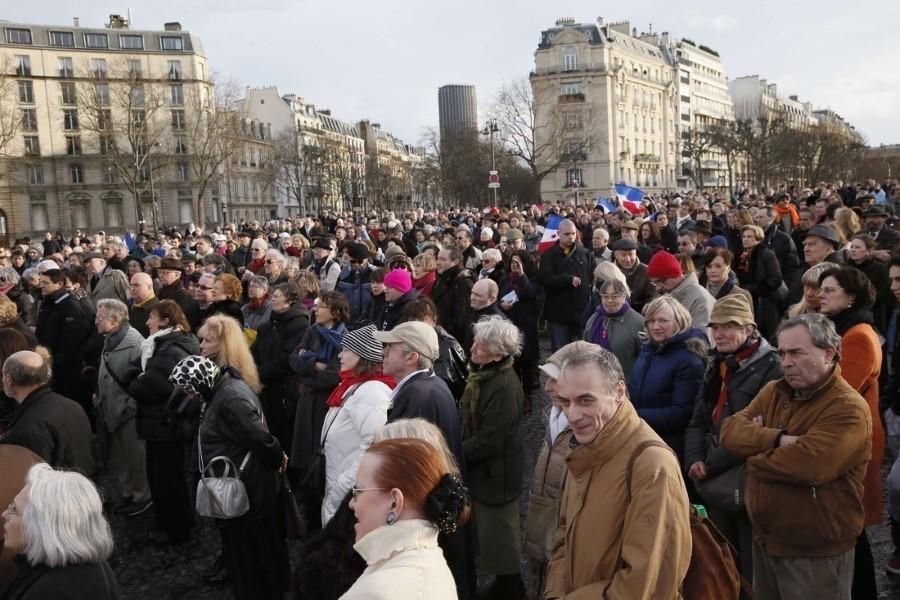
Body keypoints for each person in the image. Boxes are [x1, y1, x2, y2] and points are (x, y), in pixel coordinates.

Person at [720, 314, 872, 600]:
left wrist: (751, 454)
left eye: (797, 353)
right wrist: (776, 438)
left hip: (815, 552)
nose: (786, 362)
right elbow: (728, 433)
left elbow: (807, 466)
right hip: (767, 542)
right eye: (783, 353)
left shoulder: (848, 408)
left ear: (829, 353)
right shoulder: (775, 391)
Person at [545, 343, 691, 599]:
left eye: (585, 400)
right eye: (565, 402)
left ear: (619, 392)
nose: (572, 415)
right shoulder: (586, 449)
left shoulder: (653, 467)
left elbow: (641, 586)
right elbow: (563, 539)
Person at [169, 356, 289, 600]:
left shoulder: (229, 398)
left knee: (251, 552)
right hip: (244, 485)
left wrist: (277, 458)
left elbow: (259, 438)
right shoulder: (222, 390)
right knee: (254, 549)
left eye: (188, 388)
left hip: (248, 489)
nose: (188, 395)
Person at [684, 294, 782, 579]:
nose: (719, 333)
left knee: (752, 567)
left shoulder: (771, 367)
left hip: (746, 480)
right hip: (713, 479)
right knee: (720, 563)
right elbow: (699, 418)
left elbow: (756, 433)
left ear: (749, 329)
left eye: (729, 326)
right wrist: (693, 458)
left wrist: (709, 464)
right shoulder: (719, 363)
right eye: (715, 327)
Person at [816, 266, 883, 598]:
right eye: (821, 289)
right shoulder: (840, 329)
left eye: (830, 290)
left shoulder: (857, 335)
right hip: (844, 435)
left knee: (850, 525)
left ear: (851, 296)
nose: (821, 295)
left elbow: (839, 391)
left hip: (853, 440)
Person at [340, 438, 470, 600]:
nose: (352, 503)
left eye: (357, 491)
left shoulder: (377, 592)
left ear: (394, 503)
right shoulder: (432, 562)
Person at [459, 316, 525, 598]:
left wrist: (456, 453)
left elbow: (491, 439)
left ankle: (510, 588)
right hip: (488, 473)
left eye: (481, 345)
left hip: (497, 476)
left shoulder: (504, 385)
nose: (473, 348)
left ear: (497, 353)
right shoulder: (484, 375)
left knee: (501, 535)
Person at [125, 300, 199, 546]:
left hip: (166, 423)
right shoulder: (161, 345)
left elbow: (146, 386)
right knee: (163, 476)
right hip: (161, 422)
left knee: (168, 479)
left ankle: (176, 529)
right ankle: (170, 525)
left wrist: (135, 380)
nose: (147, 322)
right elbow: (136, 372)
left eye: (152, 317)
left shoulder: (171, 349)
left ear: (166, 321)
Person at [523, 343, 591, 597]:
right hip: (544, 512)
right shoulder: (553, 412)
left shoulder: (586, 424)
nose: (547, 387)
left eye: (555, 380)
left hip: (564, 521)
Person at [2, 463, 119, 599]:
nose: (4, 514)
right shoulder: (93, 566)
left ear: (42, 527)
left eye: (14, 509)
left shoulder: (53, 591)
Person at [321, 325, 394, 525]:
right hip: (341, 482)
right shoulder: (354, 385)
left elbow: (374, 443)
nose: (339, 355)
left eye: (346, 350)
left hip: (350, 488)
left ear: (362, 355)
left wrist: (344, 483)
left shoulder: (372, 392)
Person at [290, 291, 347, 531]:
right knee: (305, 458)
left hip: (326, 405)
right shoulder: (312, 332)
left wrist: (309, 368)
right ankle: (309, 513)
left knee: (322, 458)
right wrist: (314, 364)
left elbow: (335, 376)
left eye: (321, 306)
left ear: (334, 311)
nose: (316, 310)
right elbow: (294, 360)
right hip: (307, 404)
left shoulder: (345, 337)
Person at [627, 295, 708, 463]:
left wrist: (633, 416)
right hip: (642, 437)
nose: (656, 326)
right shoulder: (648, 350)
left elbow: (682, 413)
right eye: (651, 321)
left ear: (679, 322)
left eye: (663, 321)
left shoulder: (689, 360)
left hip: (669, 447)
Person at [374, 321, 463, 465]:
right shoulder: (431, 385)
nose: (382, 353)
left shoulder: (417, 394)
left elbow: (408, 461)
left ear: (411, 357)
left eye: (390, 347)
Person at [94, 299, 152, 517]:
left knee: (135, 456)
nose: (95, 322)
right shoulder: (110, 339)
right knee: (119, 456)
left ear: (115, 319)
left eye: (99, 318)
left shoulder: (136, 343)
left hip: (128, 413)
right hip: (111, 409)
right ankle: (127, 492)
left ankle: (142, 496)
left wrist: (130, 407)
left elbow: (143, 380)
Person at [0, 351, 93, 473]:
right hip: (82, 485)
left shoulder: (28, 427)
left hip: (57, 489)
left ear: (8, 380)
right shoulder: (71, 405)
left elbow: (32, 479)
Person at [251, 281, 310, 453]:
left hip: (283, 391)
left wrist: (258, 375)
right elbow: (253, 352)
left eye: (277, 296)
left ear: (290, 302)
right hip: (263, 387)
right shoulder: (267, 326)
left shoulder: (300, 325)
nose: (272, 299)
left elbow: (286, 360)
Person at [34, 269, 93, 416]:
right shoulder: (48, 302)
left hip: (66, 368)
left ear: (60, 284)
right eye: (40, 282)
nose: (41, 286)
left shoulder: (72, 303)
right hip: (52, 364)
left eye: (45, 283)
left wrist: (54, 361)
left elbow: (71, 340)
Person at [539, 219, 594, 351]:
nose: (571, 237)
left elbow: (591, 277)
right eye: (567, 234)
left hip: (581, 312)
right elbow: (545, 279)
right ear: (558, 233)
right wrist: (566, 279)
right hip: (559, 314)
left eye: (573, 234)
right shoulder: (548, 255)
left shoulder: (585, 253)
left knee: (583, 353)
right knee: (560, 353)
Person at [498, 250, 540, 402]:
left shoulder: (533, 278)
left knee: (526, 362)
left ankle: (527, 395)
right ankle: (514, 395)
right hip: (509, 323)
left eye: (518, 263)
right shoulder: (504, 280)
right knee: (512, 362)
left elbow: (531, 293)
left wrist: (522, 275)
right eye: (512, 262)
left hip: (526, 324)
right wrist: (501, 304)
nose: (514, 266)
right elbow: (497, 297)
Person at [583, 278, 643, 377]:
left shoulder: (638, 322)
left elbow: (644, 357)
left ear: (624, 297)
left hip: (625, 382)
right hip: (595, 379)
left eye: (615, 296)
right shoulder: (593, 319)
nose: (609, 300)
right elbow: (585, 348)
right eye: (605, 296)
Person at [646, 251, 715, 330]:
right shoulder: (666, 295)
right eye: (654, 283)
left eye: (660, 281)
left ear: (674, 274)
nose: (657, 288)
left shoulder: (700, 300)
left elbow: (702, 339)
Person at [198, 314, 261, 393]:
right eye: (202, 339)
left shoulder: (234, 387)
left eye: (208, 340)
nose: (201, 345)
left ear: (225, 345)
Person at [847, 233, 891, 332]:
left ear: (868, 251)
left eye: (858, 247)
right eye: (852, 247)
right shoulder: (845, 268)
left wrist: (863, 296)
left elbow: (885, 294)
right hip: (849, 315)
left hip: (874, 315)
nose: (853, 250)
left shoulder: (880, 268)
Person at [432, 247, 474, 344]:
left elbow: (461, 318)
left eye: (443, 259)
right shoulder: (441, 278)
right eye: (437, 258)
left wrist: (442, 333)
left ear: (455, 261)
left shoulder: (464, 283)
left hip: (451, 340)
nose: (438, 262)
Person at [612, 238, 657, 314]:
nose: (628, 259)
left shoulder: (646, 271)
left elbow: (652, 296)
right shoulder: (610, 271)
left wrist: (648, 306)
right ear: (616, 256)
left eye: (631, 254)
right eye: (623, 255)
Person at [127, 273, 159, 338]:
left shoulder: (158, 310)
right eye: (131, 285)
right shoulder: (129, 307)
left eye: (136, 285)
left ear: (149, 287)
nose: (132, 289)